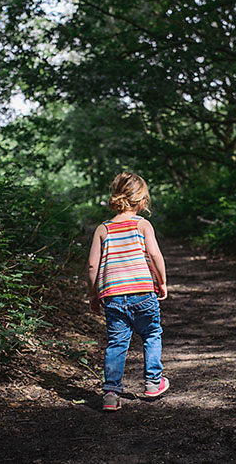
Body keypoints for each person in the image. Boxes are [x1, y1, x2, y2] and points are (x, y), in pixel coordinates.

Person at [86, 172, 169, 411]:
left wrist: (93, 294)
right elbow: (154, 255)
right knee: (152, 334)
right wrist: (161, 282)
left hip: (113, 296)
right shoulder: (142, 225)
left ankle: (111, 393)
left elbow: (92, 266)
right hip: (143, 292)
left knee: (116, 342)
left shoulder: (103, 229)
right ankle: (153, 382)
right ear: (142, 201)